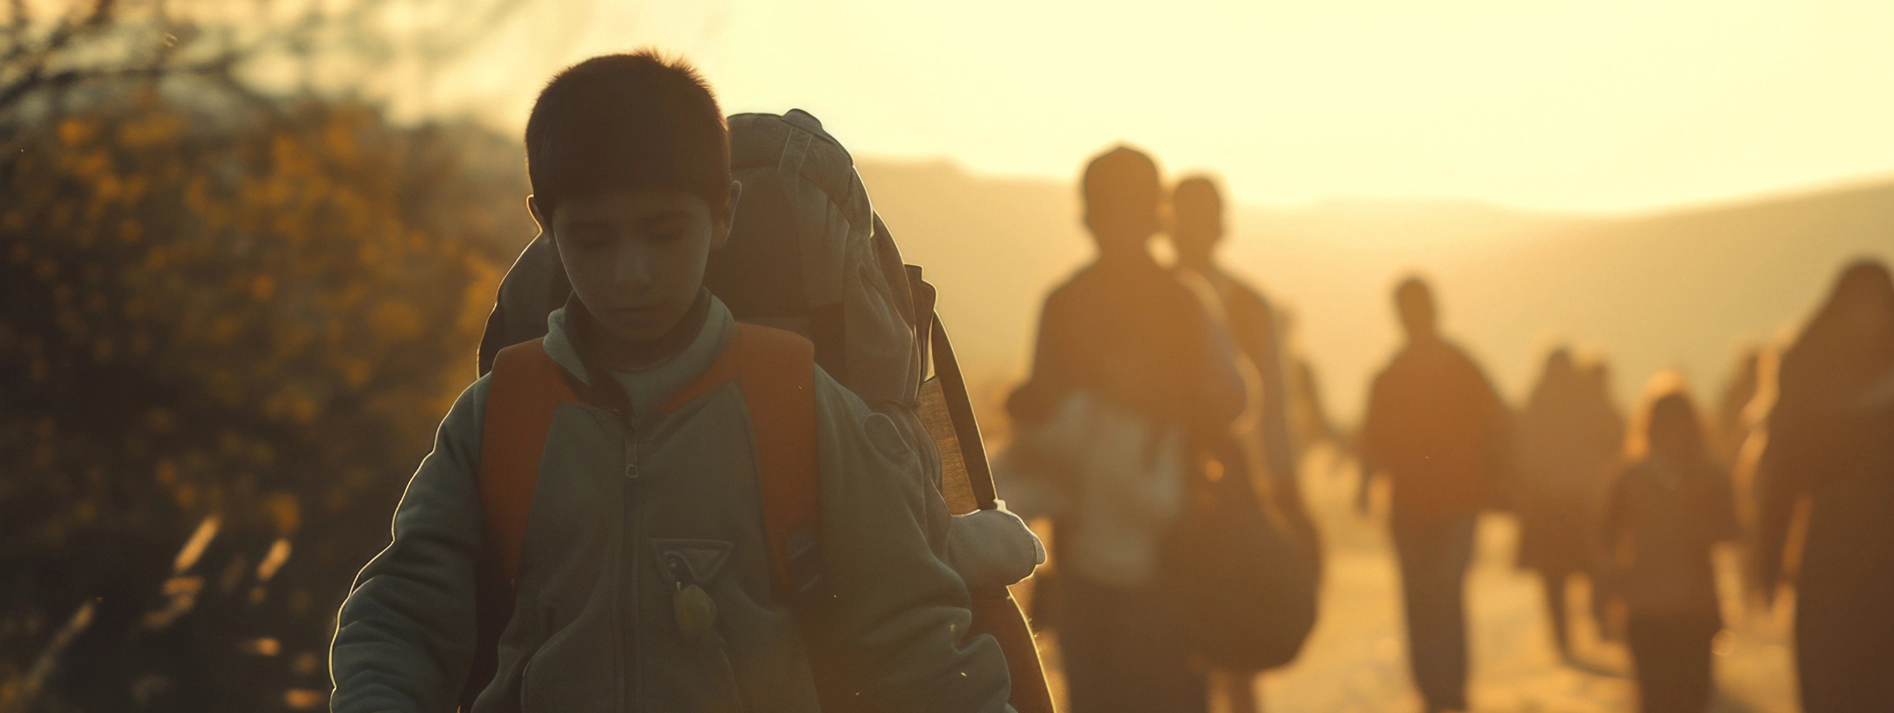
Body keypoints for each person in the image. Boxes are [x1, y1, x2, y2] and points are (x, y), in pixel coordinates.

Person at [329, 52, 1013, 713]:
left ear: (724, 213)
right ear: (545, 224)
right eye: (594, 239)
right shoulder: (502, 414)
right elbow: (404, 616)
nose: (631, 271)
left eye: (663, 233)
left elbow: (914, 642)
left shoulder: (798, 405)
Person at [1005, 147, 1246, 713]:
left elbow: (1032, 412)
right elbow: (1232, 403)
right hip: (1167, 556)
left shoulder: (1066, 303)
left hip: (1093, 556)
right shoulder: (1183, 299)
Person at [1747, 260, 1894, 713]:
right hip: (1832, 575)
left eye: (1877, 306)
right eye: (1857, 306)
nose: (1868, 318)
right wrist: (1768, 557)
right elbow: (1782, 481)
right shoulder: (1810, 388)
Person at [1168, 174, 1319, 713]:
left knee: (1230, 633)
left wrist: (1280, 489)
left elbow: (1274, 408)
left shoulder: (1248, 304)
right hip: (1171, 491)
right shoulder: (1156, 294)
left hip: (1233, 493)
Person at [1358, 277, 1509, 713]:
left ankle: (1445, 689)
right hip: (1421, 507)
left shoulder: (1444, 368)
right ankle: (1438, 689)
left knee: (1435, 595)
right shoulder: (1404, 372)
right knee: (1432, 596)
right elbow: (1373, 438)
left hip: (1449, 504)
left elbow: (1495, 426)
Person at [1600, 378, 1739, 713]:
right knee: (1656, 699)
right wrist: (1613, 588)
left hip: (1694, 608)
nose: (1673, 431)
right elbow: (1604, 538)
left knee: (1691, 698)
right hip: (1648, 611)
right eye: (1666, 423)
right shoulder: (1630, 476)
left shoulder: (1710, 475)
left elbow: (1734, 529)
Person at [1512, 347, 1625, 665]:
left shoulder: (1539, 400)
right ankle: (1593, 623)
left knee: (1558, 575)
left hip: (1560, 501)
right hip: (1577, 500)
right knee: (1587, 567)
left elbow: (1522, 453)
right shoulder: (1584, 398)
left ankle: (1567, 633)